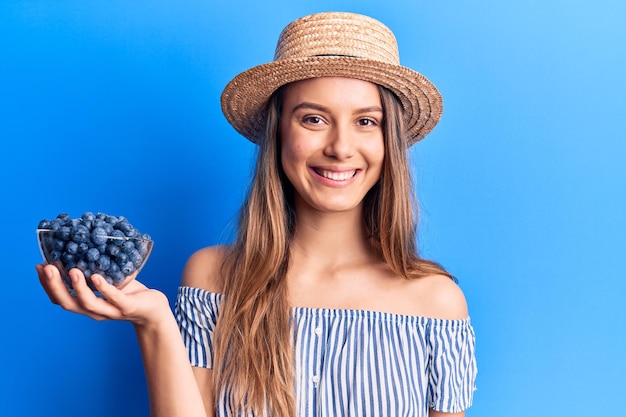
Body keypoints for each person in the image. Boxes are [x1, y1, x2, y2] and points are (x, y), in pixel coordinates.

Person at [36, 11, 477, 417]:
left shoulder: (435, 303)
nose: (341, 147)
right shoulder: (213, 278)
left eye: (366, 121)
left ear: (389, 141)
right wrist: (153, 322)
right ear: (277, 131)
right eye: (313, 119)